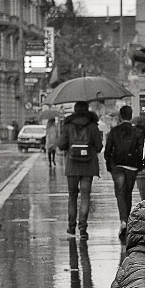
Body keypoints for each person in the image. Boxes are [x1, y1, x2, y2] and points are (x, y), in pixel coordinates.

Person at [57, 101, 103, 239]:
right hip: (88, 166)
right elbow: (99, 147)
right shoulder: (93, 126)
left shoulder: (68, 126)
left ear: (75, 110)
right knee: (85, 196)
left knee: (72, 196)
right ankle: (83, 229)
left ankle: (71, 228)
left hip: (72, 166)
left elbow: (61, 145)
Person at [104, 105, 145, 239]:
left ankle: (123, 220)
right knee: (128, 193)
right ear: (130, 115)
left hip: (118, 166)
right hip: (131, 167)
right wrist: (139, 166)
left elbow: (107, 151)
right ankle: (126, 220)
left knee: (120, 194)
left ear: (120, 116)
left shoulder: (114, 131)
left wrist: (110, 165)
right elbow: (140, 151)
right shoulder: (137, 132)